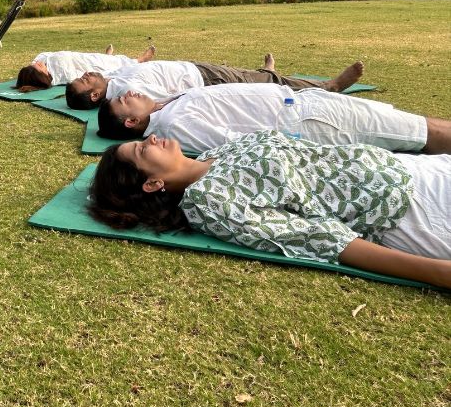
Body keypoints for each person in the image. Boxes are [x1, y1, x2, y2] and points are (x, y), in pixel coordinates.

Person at [89, 130, 451, 288]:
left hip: (414, 168)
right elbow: (320, 239)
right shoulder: (208, 203)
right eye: (141, 150)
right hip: (413, 210)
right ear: (152, 183)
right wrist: (436, 273)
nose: (151, 138)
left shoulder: (218, 153)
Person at [97, 83, 451, 154]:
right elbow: (237, 145)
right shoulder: (175, 126)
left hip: (307, 106)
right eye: (123, 103)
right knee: (421, 132)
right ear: (131, 123)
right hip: (308, 122)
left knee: (415, 127)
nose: (126, 94)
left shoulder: (167, 108)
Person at [65, 52, 365, 110]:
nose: (86, 74)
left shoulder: (113, 79)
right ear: (94, 97)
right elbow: (164, 103)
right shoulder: (128, 94)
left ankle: (267, 72)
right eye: (84, 80)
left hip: (197, 68)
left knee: (256, 77)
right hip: (206, 81)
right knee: (265, 85)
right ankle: (331, 87)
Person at [15, 44, 157, 91]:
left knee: (102, 59)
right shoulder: (60, 75)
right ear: (42, 76)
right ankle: (139, 60)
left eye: (33, 65)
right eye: (37, 67)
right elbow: (81, 75)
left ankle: (108, 56)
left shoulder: (43, 62)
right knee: (109, 64)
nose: (36, 64)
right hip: (86, 64)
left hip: (82, 57)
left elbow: (41, 55)